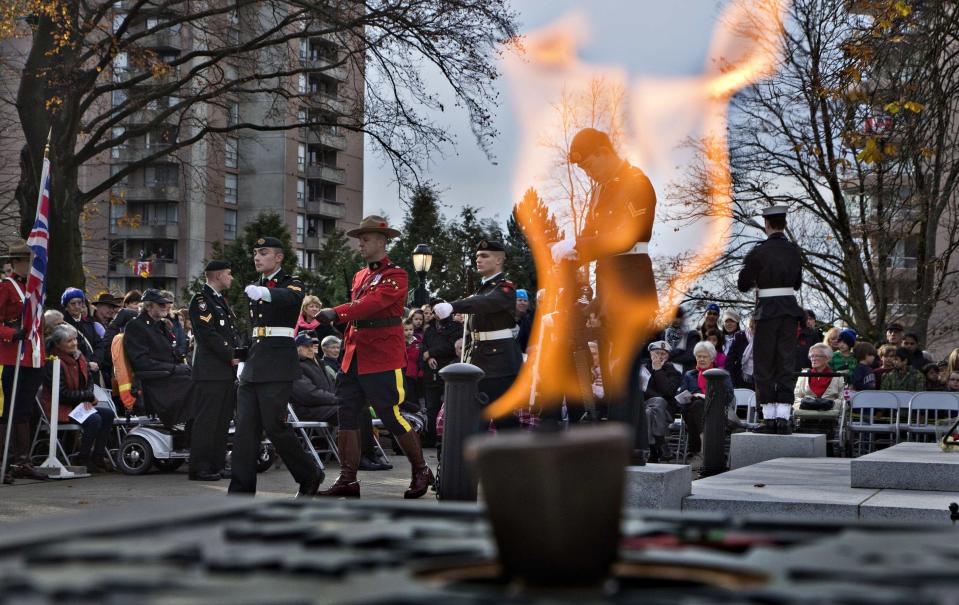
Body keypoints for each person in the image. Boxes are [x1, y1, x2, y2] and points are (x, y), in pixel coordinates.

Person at [550, 127, 659, 463]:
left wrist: (579, 247)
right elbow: (594, 237)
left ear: (602, 150)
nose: (588, 172)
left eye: (588, 164)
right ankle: (633, 446)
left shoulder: (636, 182)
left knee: (621, 367)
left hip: (632, 284)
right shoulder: (601, 190)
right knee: (615, 371)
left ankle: (623, 447)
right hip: (611, 286)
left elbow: (625, 236)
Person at [316, 216, 433, 499]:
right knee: (347, 416)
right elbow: (359, 309)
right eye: (360, 239)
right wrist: (340, 321)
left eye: (365, 239)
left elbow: (372, 304)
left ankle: (421, 469)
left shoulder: (397, 275)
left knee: (390, 415)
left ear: (381, 242)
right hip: (353, 355)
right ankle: (348, 479)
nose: (360, 244)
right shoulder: (359, 276)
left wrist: (337, 311)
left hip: (382, 357)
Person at [228, 237, 322, 497]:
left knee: (275, 426)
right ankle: (240, 492)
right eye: (255, 252)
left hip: (278, 364)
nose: (257, 257)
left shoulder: (291, 282)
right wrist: (242, 355)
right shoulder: (255, 286)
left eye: (264, 252)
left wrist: (266, 293)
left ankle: (309, 474)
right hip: (254, 363)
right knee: (245, 430)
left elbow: (292, 299)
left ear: (278, 257)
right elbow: (253, 327)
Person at [433, 240, 523, 430]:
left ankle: (516, 459)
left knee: (504, 419)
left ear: (499, 260)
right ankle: (474, 459)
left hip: (500, 364)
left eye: (484, 256)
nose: (478, 260)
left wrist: (453, 305)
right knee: (476, 419)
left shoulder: (504, 288)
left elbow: (485, 303)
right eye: (477, 256)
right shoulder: (482, 289)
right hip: (479, 360)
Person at [736, 205, 804, 432]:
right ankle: (783, 418)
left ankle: (769, 418)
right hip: (789, 311)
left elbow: (743, 284)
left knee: (763, 365)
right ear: (783, 224)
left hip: (767, 312)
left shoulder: (759, 251)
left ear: (766, 224)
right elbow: (796, 284)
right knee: (785, 362)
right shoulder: (794, 250)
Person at [187, 260, 239, 481]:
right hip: (210, 372)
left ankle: (216, 464)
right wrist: (231, 354)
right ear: (217, 276)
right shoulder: (201, 301)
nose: (231, 278)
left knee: (221, 421)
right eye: (229, 274)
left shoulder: (218, 300)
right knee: (207, 421)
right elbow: (208, 334)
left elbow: (228, 333)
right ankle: (200, 467)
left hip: (224, 372)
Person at [41, 324, 116, 473]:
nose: (74, 343)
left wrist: (87, 397)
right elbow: (61, 394)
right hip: (61, 407)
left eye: (75, 339)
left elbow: (89, 382)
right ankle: (83, 457)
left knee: (108, 414)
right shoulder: (53, 362)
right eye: (69, 341)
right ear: (58, 344)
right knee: (94, 419)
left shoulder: (79, 357)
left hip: (78, 404)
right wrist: (85, 397)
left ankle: (98, 456)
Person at [0, 240, 45, 482]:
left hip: (33, 355)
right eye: (29, 262)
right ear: (17, 262)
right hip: (11, 354)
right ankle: (4, 463)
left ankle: (23, 461)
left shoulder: (35, 288)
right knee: (8, 411)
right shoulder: (6, 287)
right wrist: (9, 334)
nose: (32, 266)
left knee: (24, 411)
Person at [123, 289, 195, 426]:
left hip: (168, 377)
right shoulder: (136, 326)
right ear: (149, 306)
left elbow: (172, 354)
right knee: (195, 384)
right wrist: (174, 368)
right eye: (161, 305)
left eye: (167, 305)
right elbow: (141, 362)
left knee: (202, 379)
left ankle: (198, 431)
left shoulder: (162, 325)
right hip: (155, 382)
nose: (166, 308)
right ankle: (193, 434)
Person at [677, 341, 733, 468]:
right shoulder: (689, 375)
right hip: (692, 410)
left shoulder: (721, 374)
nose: (701, 359)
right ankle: (706, 450)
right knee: (695, 406)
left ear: (712, 358)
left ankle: (698, 451)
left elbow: (729, 396)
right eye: (699, 356)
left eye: (705, 356)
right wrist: (691, 396)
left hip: (716, 411)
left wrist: (705, 398)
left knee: (697, 406)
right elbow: (682, 394)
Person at [421, 300, 461, 446]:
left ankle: (446, 439)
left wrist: (431, 352)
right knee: (431, 407)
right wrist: (428, 356)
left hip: (448, 371)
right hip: (431, 373)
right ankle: (431, 438)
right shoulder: (430, 329)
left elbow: (453, 346)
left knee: (449, 406)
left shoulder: (456, 327)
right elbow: (424, 346)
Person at [642, 340, 682, 463]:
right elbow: (639, 391)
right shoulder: (642, 369)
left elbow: (668, 392)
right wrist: (658, 396)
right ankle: (661, 444)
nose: (659, 356)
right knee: (654, 405)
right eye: (657, 353)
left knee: (651, 411)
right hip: (642, 406)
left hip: (665, 412)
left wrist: (658, 371)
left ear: (668, 356)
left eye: (663, 354)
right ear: (650, 354)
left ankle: (653, 451)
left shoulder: (674, 372)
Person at [792, 343, 845, 434]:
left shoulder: (838, 376)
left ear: (827, 358)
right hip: (806, 415)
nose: (813, 359)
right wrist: (805, 403)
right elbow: (796, 396)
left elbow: (843, 400)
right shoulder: (804, 374)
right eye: (811, 356)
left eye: (817, 356)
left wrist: (830, 404)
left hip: (828, 417)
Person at [291, 333, 338, 422]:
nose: (310, 348)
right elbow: (309, 394)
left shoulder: (319, 363)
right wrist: (337, 399)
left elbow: (333, 387)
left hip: (326, 407)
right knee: (350, 411)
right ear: (296, 348)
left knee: (359, 408)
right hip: (310, 411)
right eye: (305, 346)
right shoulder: (294, 366)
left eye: (311, 345)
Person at [61, 287, 104, 385]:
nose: (77, 306)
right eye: (73, 303)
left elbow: (99, 345)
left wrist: (96, 361)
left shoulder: (89, 324)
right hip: (73, 375)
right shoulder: (62, 326)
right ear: (66, 306)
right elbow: (65, 351)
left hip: (93, 372)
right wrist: (87, 364)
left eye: (79, 303)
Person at [724, 317, 755, 389]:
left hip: (760, 381)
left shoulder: (766, 338)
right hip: (740, 381)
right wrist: (731, 383)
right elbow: (729, 361)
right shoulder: (739, 336)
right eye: (752, 326)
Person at [514, 288, 534, 353]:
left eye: (525, 301)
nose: (523, 303)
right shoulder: (505, 319)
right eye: (519, 300)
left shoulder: (529, 320)